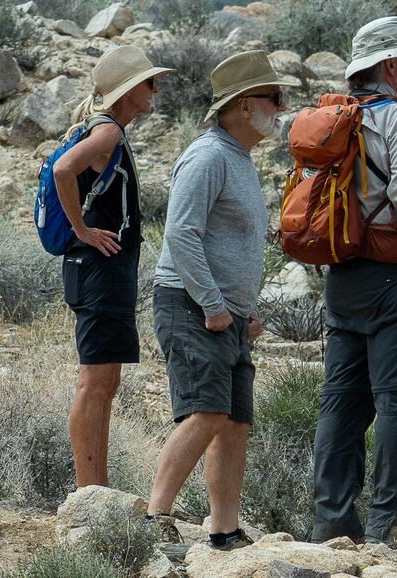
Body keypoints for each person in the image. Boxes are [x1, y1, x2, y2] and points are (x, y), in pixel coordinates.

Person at [141, 50, 294, 553]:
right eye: (274, 98)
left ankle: (224, 531)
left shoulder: (239, 159)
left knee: (234, 424)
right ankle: (154, 518)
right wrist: (212, 304)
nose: (281, 107)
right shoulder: (207, 156)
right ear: (245, 105)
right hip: (192, 305)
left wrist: (245, 309)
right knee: (206, 413)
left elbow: (231, 243)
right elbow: (180, 235)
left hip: (226, 313)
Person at [311, 16, 397, 545]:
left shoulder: (335, 119)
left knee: (341, 400)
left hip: (343, 277)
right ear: (390, 65)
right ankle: (388, 522)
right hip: (395, 279)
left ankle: (331, 522)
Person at [55, 45, 172, 489]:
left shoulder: (107, 129)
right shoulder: (107, 132)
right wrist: (82, 229)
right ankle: (89, 491)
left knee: (104, 381)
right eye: (149, 82)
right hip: (100, 271)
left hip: (100, 272)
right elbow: (65, 169)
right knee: (96, 382)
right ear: (127, 90)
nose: (155, 90)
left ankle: (96, 489)